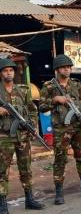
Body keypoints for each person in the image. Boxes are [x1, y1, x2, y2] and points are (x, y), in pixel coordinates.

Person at [39, 55, 81, 205]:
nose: (68, 69)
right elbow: (42, 106)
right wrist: (55, 100)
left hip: (78, 126)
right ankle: (59, 192)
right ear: (57, 69)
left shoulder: (77, 84)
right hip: (60, 128)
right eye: (65, 67)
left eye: (69, 67)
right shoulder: (49, 86)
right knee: (60, 160)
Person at [0, 58, 45, 213]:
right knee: (2, 170)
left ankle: (29, 198)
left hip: (23, 135)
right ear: (1, 74)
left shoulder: (23, 90)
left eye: (11, 70)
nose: (8, 73)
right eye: (5, 70)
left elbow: (32, 110)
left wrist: (33, 126)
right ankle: (2, 203)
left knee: (25, 168)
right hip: (4, 137)